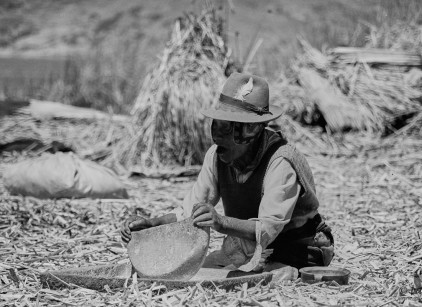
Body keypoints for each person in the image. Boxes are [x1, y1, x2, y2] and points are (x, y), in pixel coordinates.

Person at [121, 72, 334, 279]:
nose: (219, 138)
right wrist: (151, 224)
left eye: (232, 129)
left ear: (252, 132)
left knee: (251, 280)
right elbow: (189, 210)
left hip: (297, 248)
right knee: (198, 272)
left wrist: (220, 222)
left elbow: (268, 228)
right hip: (249, 249)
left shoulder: (280, 161)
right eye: (218, 127)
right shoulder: (216, 157)